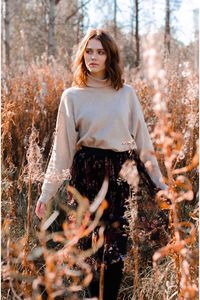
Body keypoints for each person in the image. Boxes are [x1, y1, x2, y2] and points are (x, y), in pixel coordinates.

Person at [35, 28, 167, 300]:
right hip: (86, 177)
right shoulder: (71, 96)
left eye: (100, 51)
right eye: (89, 51)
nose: (93, 57)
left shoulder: (126, 94)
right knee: (90, 249)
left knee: (115, 251)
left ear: (110, 57)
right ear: (82, 55)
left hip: (121, 177)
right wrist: (46, 192)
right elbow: (62, 151)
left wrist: (160, 185)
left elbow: (143, 144)